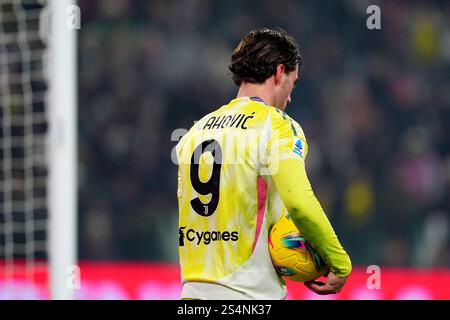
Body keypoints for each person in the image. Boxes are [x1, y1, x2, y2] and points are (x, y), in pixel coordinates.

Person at [175, 28, 351, 300]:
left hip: (191, 296)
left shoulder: (194, 133)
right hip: (246, 295)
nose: (290, 97)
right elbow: (299, 202)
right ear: (280, 72)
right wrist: (339, 261)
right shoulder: (277, 126)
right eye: (293, 83)